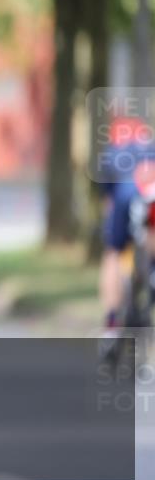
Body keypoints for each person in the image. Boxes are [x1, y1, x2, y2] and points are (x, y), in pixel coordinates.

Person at [98, 115, 155, 339]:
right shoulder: (150, 147)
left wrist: (112, 232)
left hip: (125, 196)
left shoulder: (112, 153)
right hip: (150, 196)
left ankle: (112, 324)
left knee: (113, 252)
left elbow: (109, 201)